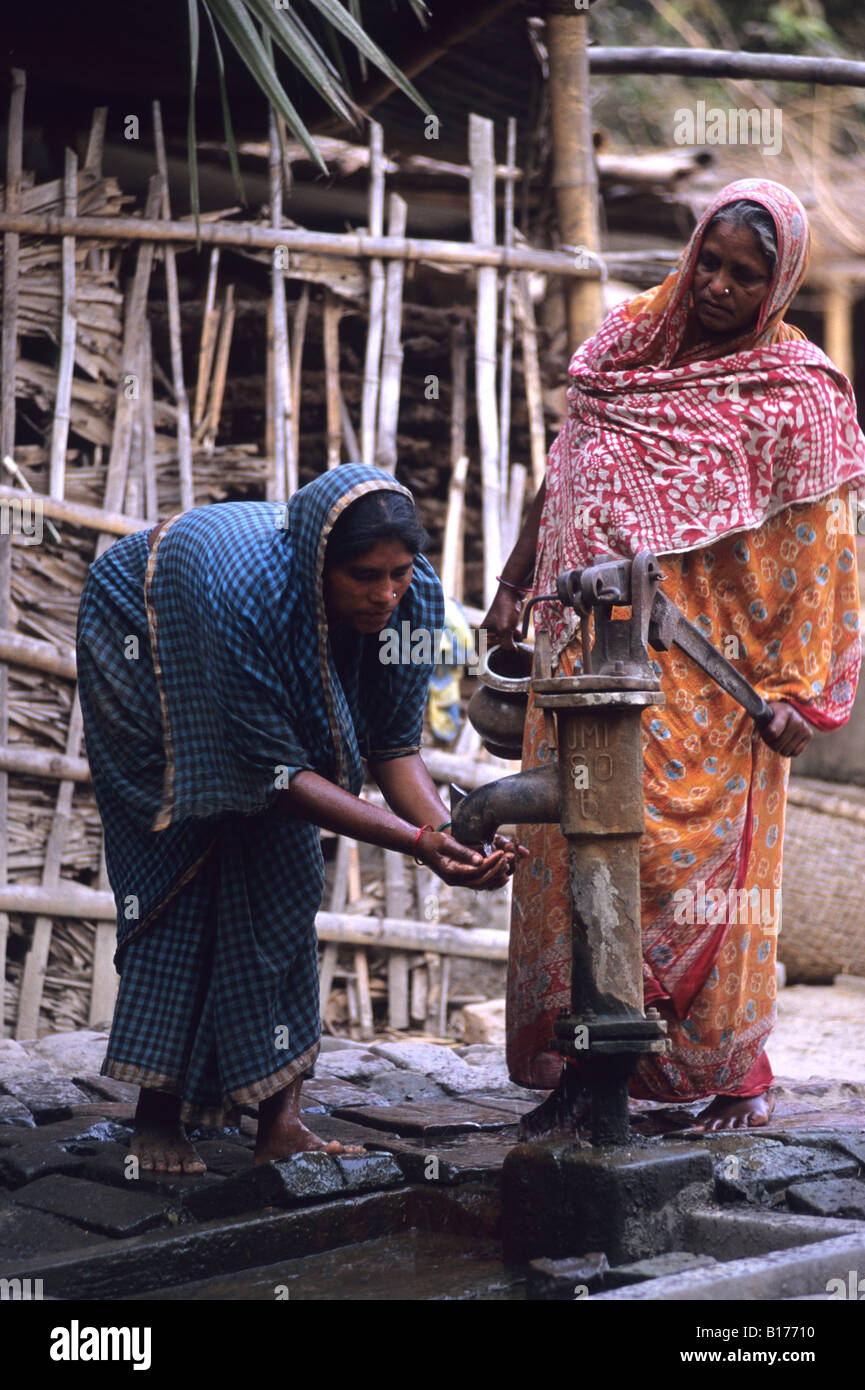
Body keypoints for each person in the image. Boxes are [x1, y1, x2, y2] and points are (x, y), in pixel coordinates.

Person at [484, 179, 865, 1134]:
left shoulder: (797, 396)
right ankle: (589, 1072)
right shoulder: (621, 349)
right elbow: (566, 465)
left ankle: (734, 1071)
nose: (721, 286)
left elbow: (822, 562)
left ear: (777, 289)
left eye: (747, 274)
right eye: (711, 261)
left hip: (708, 682)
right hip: (582, 657)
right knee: (575, 852)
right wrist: (513, 577)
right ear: (689, 249)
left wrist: (805, 699)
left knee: (687, 878)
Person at [77, 463, 522, 1173]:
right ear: (318, 561)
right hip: (147, 620)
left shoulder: (413, 601)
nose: (384, 594)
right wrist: (419, 841)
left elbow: (394, 747)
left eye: (398, 572)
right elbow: (277, 778)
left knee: (285, 878)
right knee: (182, 861)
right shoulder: (247, 599)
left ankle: (279, 1122)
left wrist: (455, 836)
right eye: (363, 576)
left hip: (247, 644)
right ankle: (156, 1117)